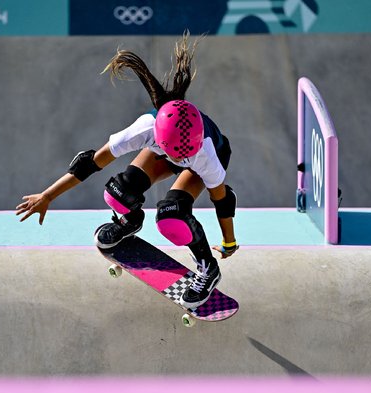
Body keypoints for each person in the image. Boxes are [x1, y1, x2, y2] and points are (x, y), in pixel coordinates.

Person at [16, 33, 238, 309]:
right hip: (162, 150)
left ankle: (208, 269)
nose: (180, 159)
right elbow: (89, 164)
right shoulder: (143, 130)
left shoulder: (204, 154)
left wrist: (229, 241)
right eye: (176, 154)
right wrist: (48, 196)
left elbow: (222, 200)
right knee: (117, 192)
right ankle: (129, 221)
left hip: (200, 163)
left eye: (184, 154)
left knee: (172, 217)